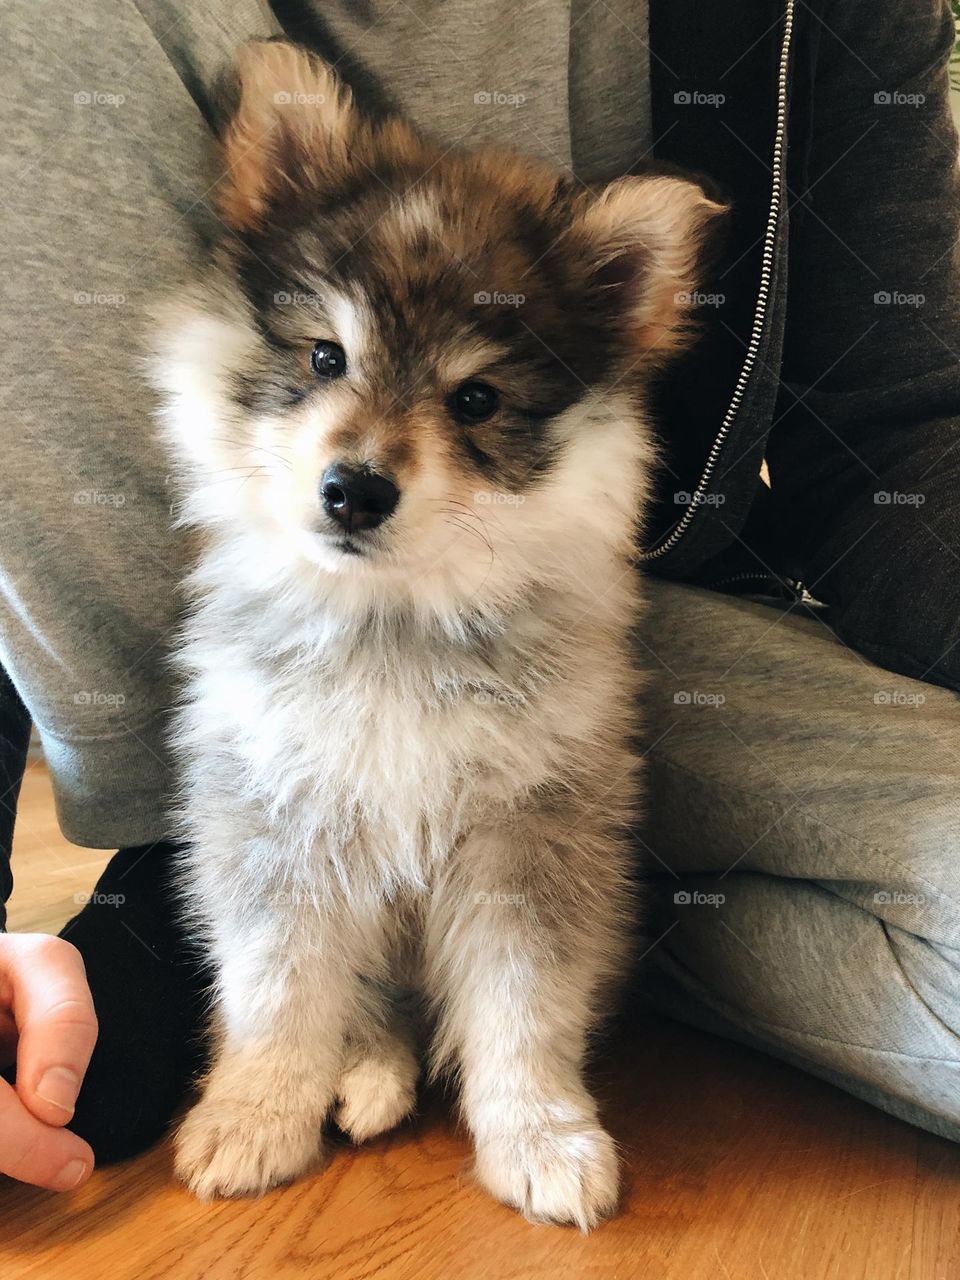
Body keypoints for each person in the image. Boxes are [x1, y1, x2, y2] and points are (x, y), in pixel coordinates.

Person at [2, 0, 960, 1191]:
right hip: (261, 618)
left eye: (472, 400)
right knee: (279, 832)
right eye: (327, 359)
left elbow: (891, 432)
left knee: (539, 846)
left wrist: (529, 1087)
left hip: (625, 628)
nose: (368, 454)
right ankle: (311, 987)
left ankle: (499, 991)